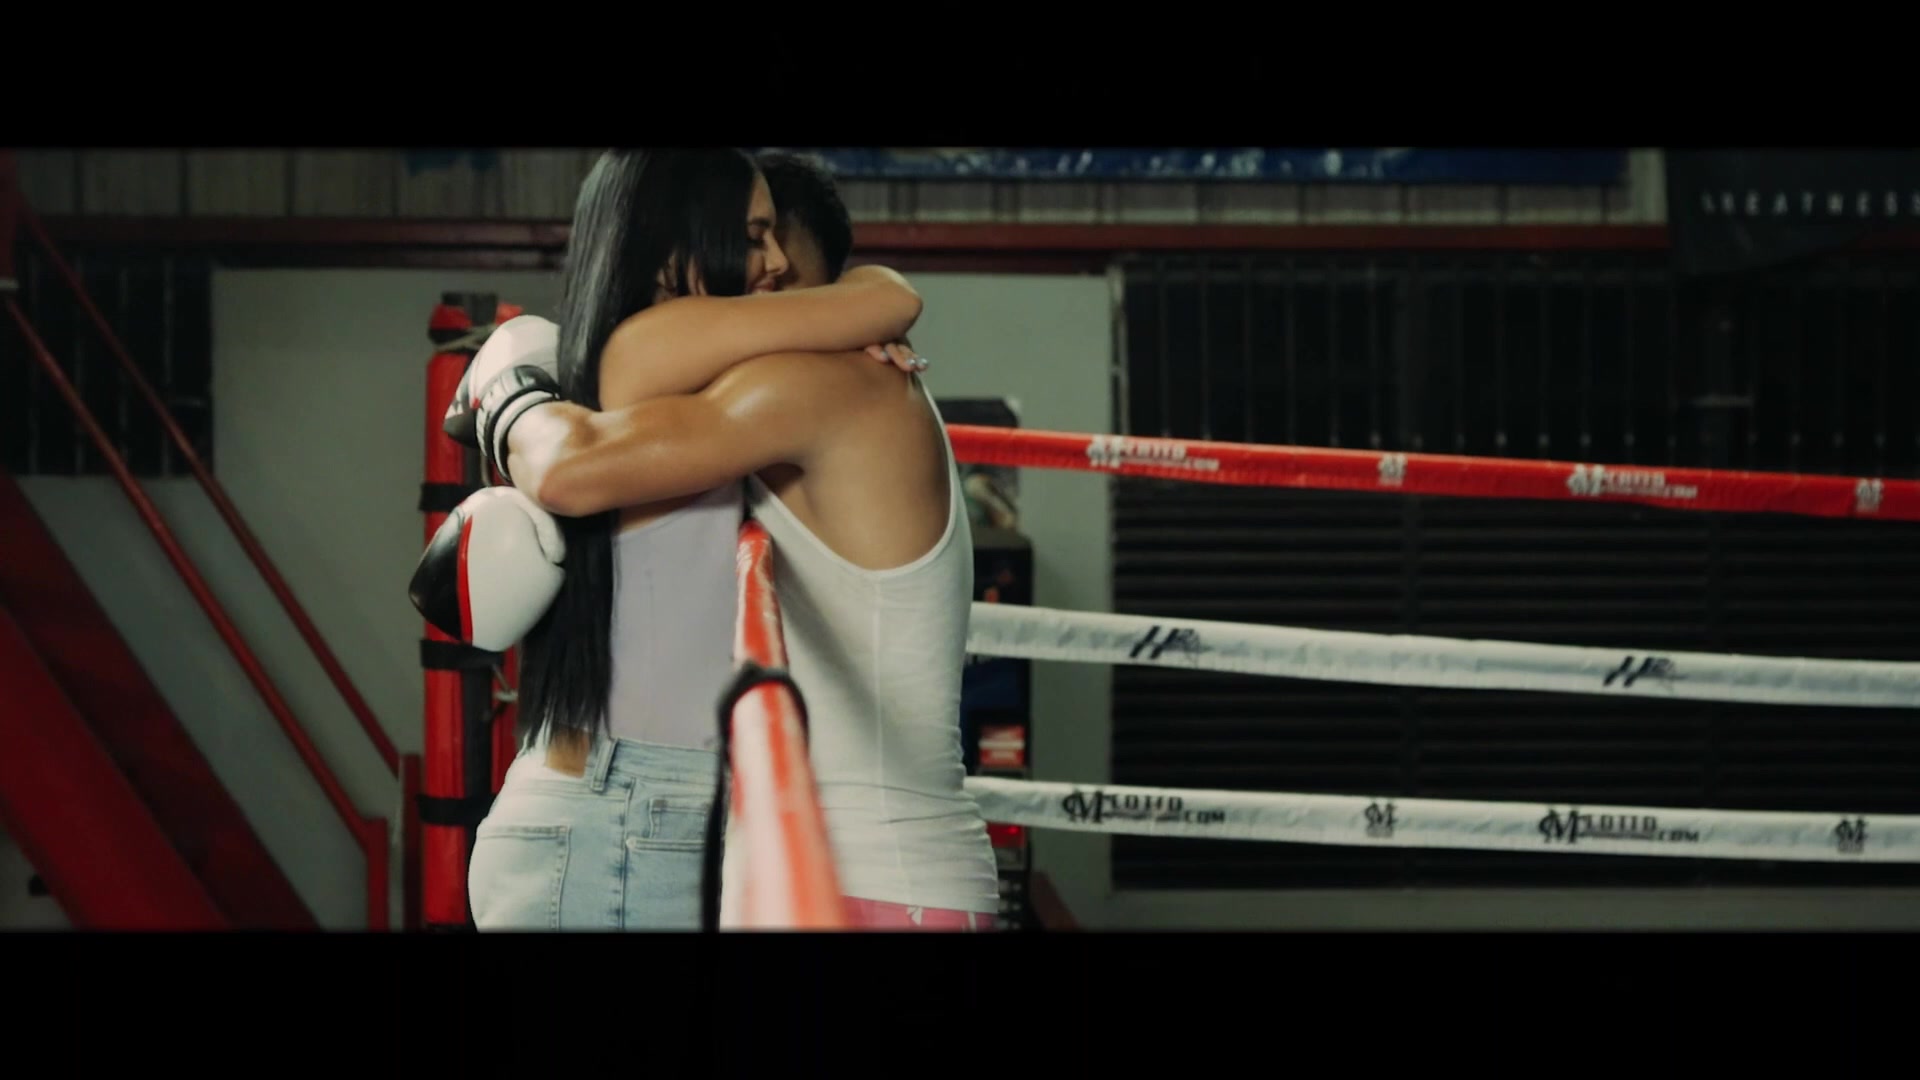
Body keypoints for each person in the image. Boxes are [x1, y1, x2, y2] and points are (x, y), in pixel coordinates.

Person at [440, 151, 1001, 931]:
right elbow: (594, 428)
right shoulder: (664, 384)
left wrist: (508, 384)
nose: (768, 272)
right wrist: (515, 373)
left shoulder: (808, 387)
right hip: (655, 825)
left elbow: (884, 297)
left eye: (775, 246)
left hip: (849, 865)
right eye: (750, 240)